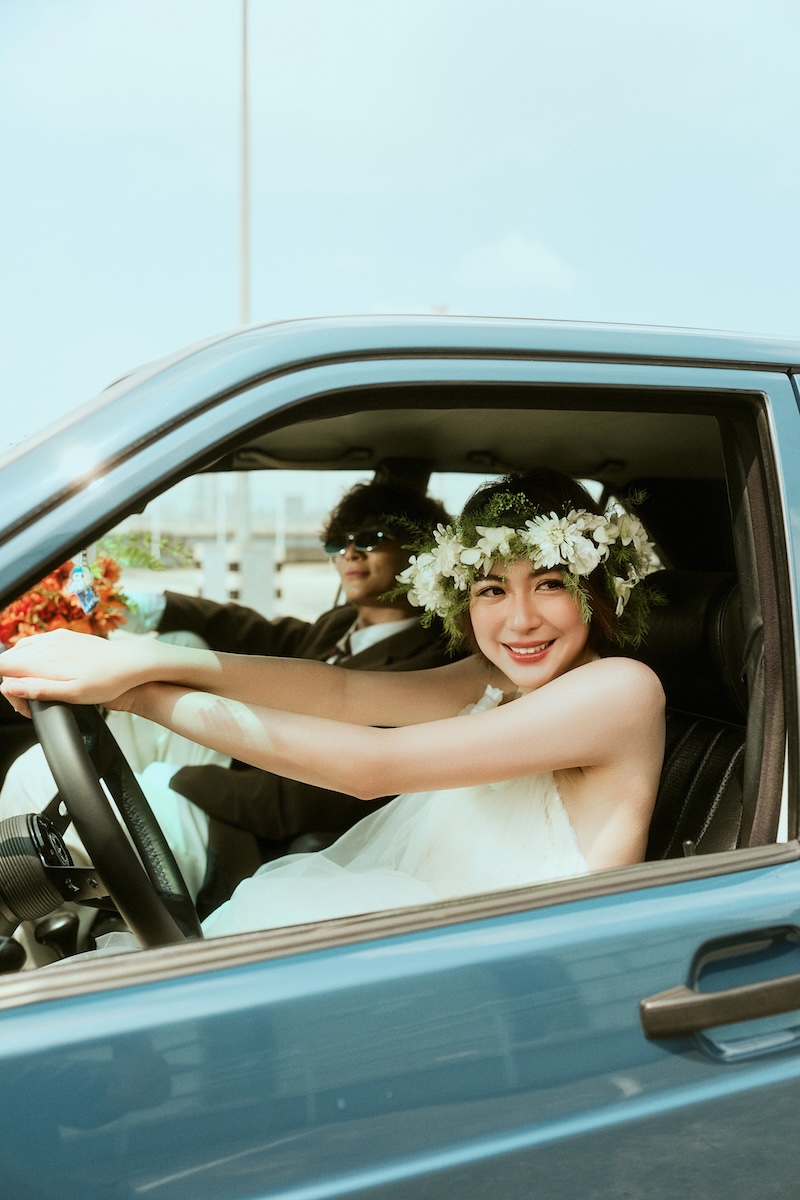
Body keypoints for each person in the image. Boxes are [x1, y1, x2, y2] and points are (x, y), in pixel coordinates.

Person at [0, 469, 666, 944]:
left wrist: (140, 696)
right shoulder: (491, 677)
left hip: (510, 967)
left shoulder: (620, 691)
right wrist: (142, 659)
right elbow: (338, 691)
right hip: (433, 928)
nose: (519, 620)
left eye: (550, 584)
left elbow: (373, 765)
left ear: (595, 588)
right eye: (492, 590)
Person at [0, 480, 456, 908]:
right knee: (183, 644)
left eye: (371, 539)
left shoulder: (429, 664)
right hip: (234, 782)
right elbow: (252, 631)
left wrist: (173, 777)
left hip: (247, 833)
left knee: (36, 776)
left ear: (419, 550)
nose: (350, 552)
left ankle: (26, 955)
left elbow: (294, 802)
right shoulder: (338, 625)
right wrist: (146, 607)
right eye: (338, 542)